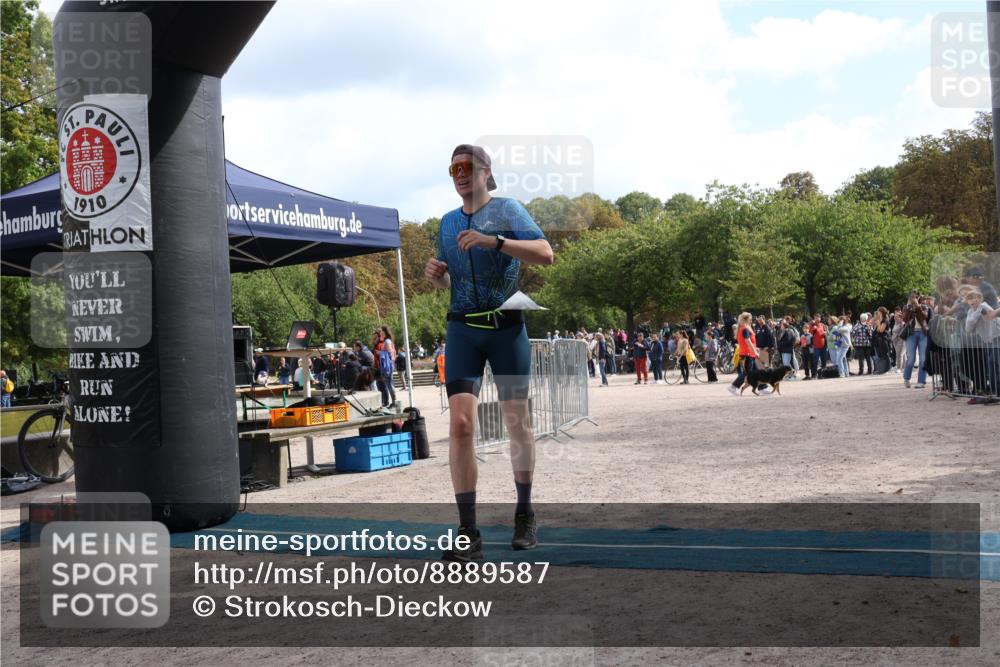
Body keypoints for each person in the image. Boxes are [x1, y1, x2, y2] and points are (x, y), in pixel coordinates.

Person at [424, 143, 553, 561]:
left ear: (485, 172)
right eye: (453, 169)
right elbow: (451, 283)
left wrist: (494, 241)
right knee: (461, 425)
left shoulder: (509, 210)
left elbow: (545, 254)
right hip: (462, 329)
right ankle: (468, 531)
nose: (460, 174)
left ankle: (525, 513)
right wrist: (436, 276)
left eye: (467, 167)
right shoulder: (446, 224)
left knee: (517, 421)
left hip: (506, 329)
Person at [902, 290, 931, 389]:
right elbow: (905, 319)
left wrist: (917, 306)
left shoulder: (923, 306)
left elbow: (924, 317)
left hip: (923, 333)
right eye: (912, 297)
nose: (913, 298)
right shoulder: (907, 307)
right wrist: (909, 308)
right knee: (911, 359)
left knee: (923, 359)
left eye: (915, 296)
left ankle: (921, 381)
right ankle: (906, 378)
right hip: (911, 334)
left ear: (919, 297)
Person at [728, 312, 762, 395]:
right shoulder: (745, 329)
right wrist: (754, 351)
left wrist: (754, 348)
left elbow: (747, 342)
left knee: (757, 371)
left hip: (747, 353)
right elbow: (747, 341)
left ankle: (763, 387)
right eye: (750, 320)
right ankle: (733, 386)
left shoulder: (742, 328)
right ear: (745, 320)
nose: (751, 321)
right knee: (747, 373)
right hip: (748, 354)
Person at [376, 326, 398, 409]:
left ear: (384, 332)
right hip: (389, 365)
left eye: (381, 331)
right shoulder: (389, 341)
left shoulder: (387, 341)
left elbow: (390, 353)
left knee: (389, 384)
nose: (380, 333)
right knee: (389, 384)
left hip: (388, 366)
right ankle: (393, 402)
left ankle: (394, 402)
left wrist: (380, 353)